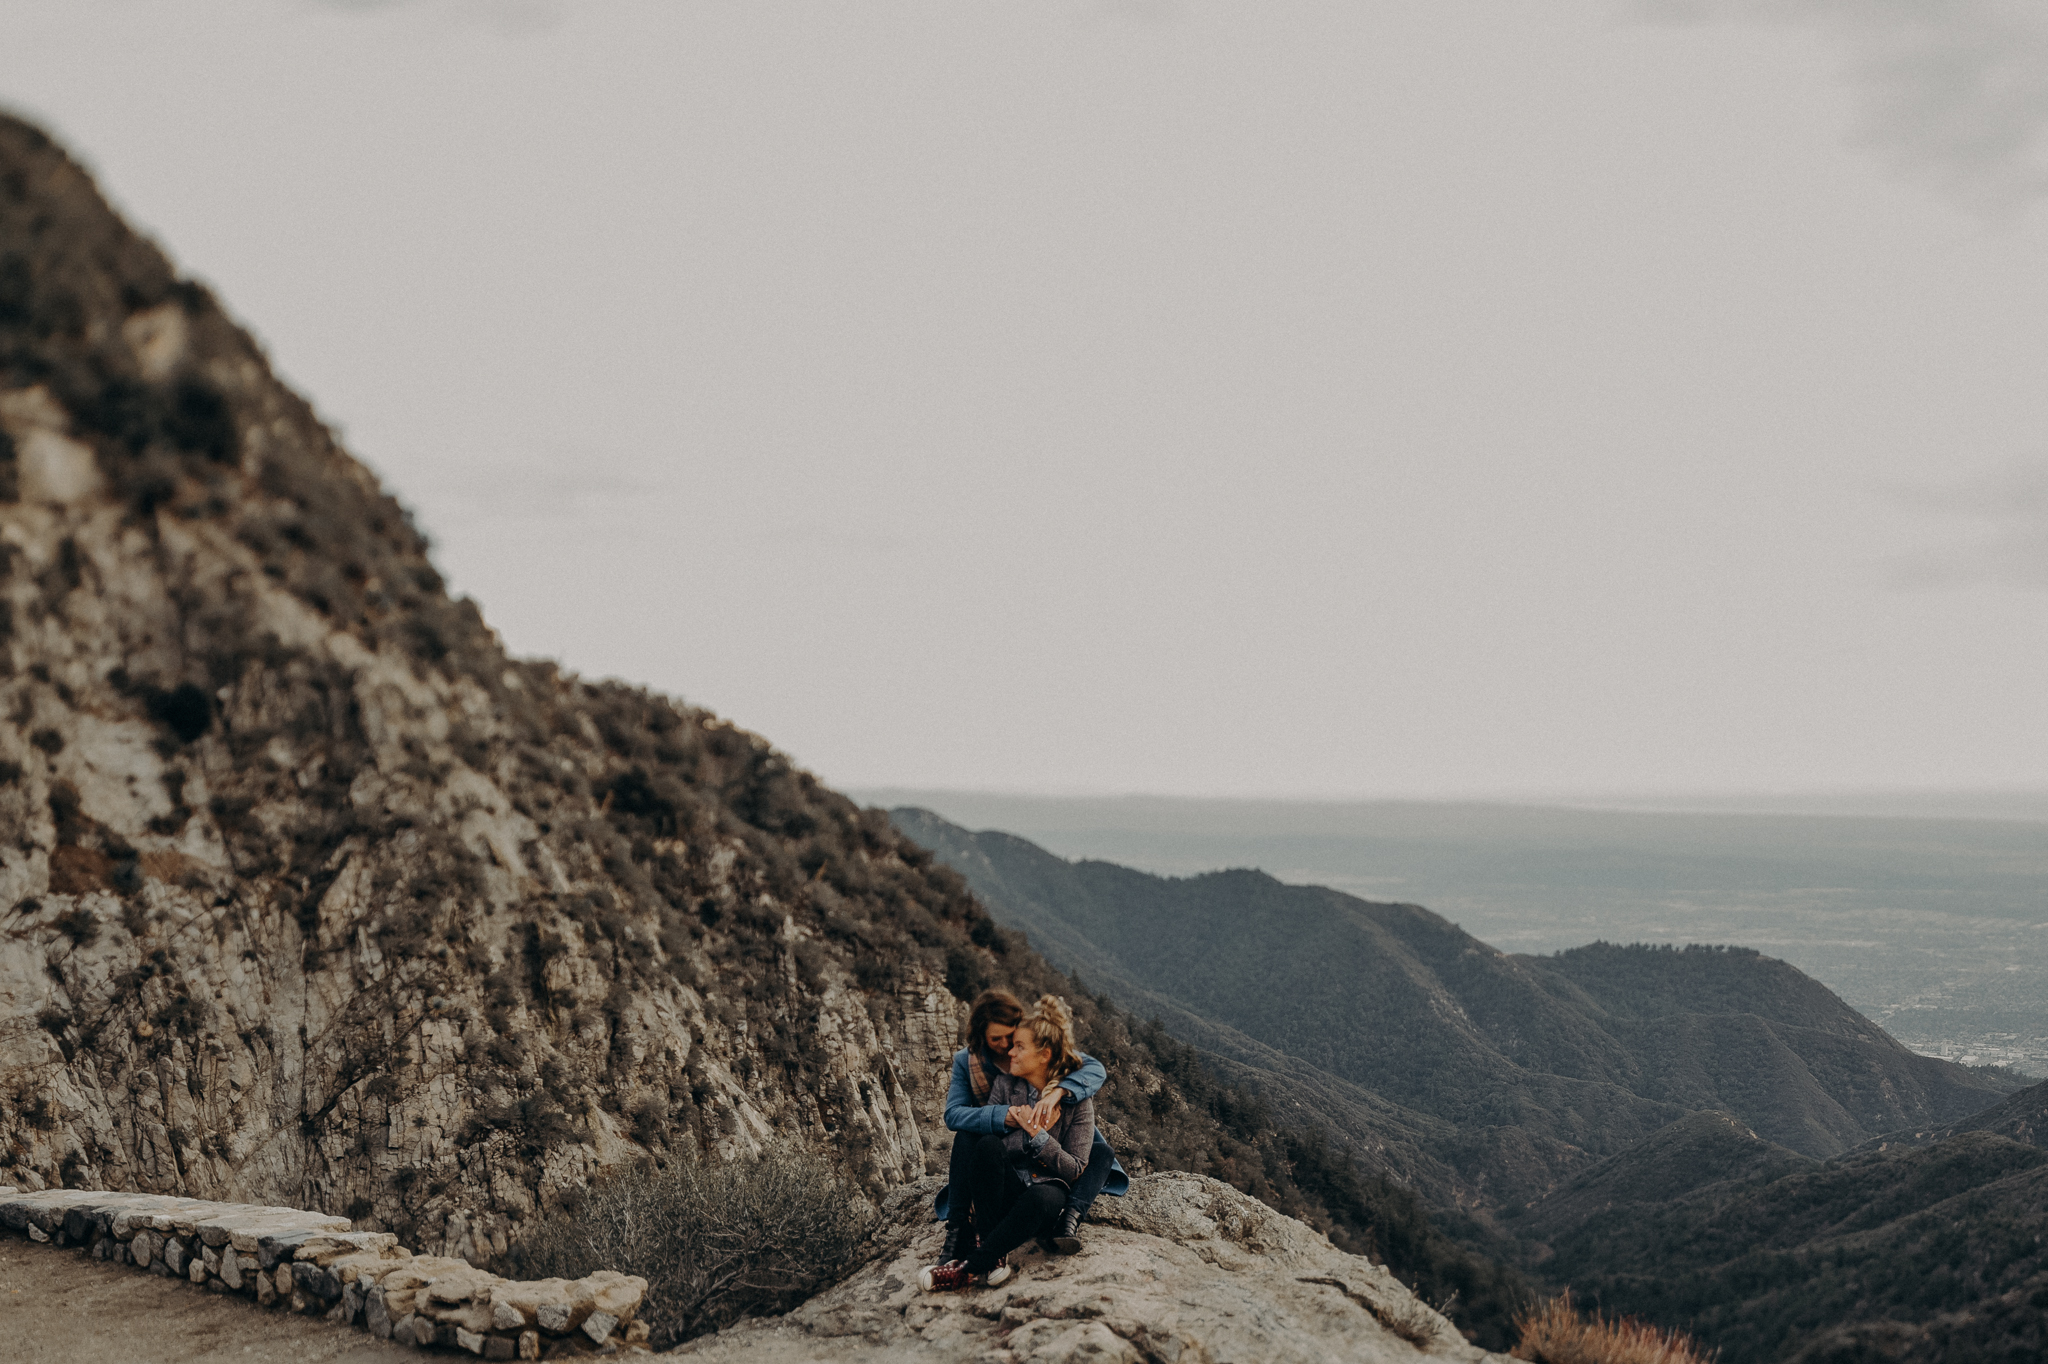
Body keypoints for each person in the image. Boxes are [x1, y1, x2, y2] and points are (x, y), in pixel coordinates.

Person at [922, 995, 1095, 1291]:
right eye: (1002, 1041)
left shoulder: (1076, 1099)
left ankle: (968, 1266)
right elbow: (993, 1143)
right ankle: (977, 1243)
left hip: (1046, 1187)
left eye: (1018, 1045)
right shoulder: (1005, 1085)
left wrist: (1040, 1136)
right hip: (1009, 1182)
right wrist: (1022, 1126)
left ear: (1043, 1055)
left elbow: (1074, 1168)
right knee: (985, 1144)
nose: (1009, 1052)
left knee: (1042, 1199)